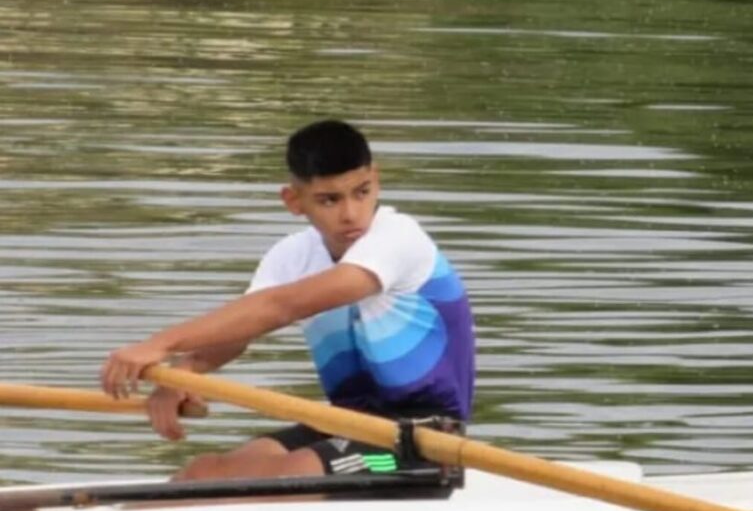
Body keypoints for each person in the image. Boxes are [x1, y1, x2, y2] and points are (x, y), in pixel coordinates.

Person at [99, 119, 475, 481]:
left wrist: (156, 345)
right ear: (293, 200)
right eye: (329, 200)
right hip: (344, 423)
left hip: (423, 444)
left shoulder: (398, 239)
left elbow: (280, 308)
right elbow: (238, 332)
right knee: (203, 473)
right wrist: (183, 371)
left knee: (293, 475)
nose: (351, 214)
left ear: (375, 179)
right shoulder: (291, 254)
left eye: (361, 192)